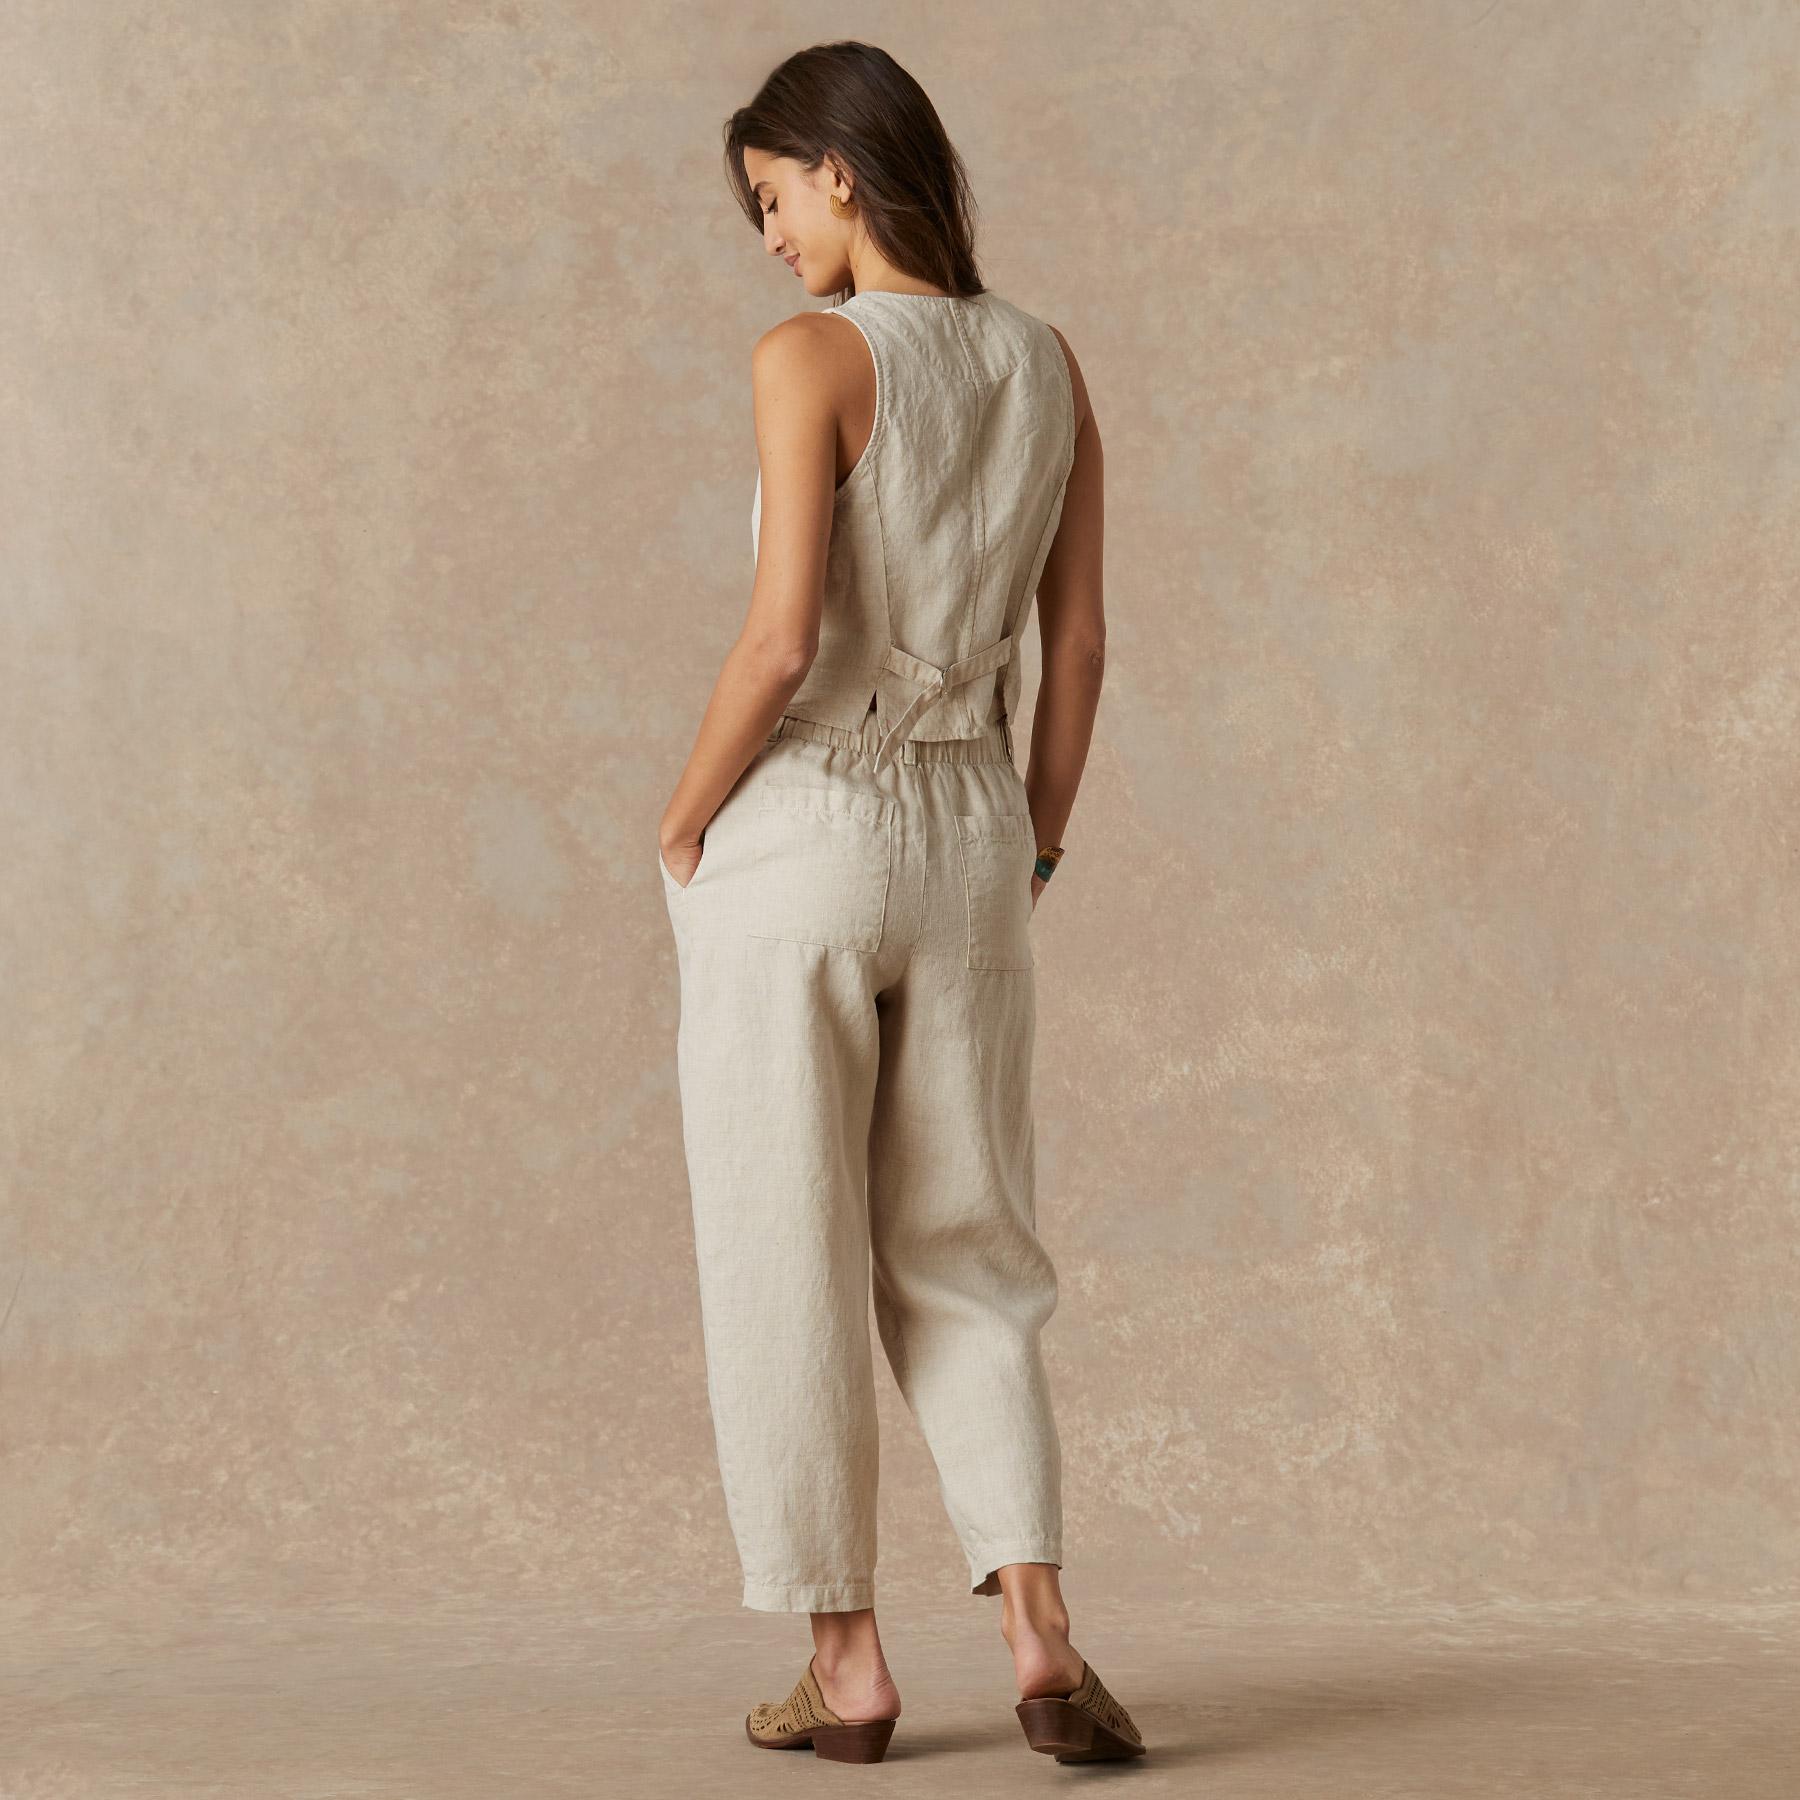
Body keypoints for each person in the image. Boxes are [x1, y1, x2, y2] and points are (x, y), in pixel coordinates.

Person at [656, 41, 1144, 1766]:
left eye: (771, 199)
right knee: (971, 1247)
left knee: (782, 1244)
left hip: (806, 831)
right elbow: (1080, 644)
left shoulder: (812, 356)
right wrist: (1038, 842)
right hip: (974, 842)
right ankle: (1038, 1627)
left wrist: (682, 823)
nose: (770, 237)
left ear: (840, 169)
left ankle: (849, 1666)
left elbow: (782, 639)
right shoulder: (1046, 362)